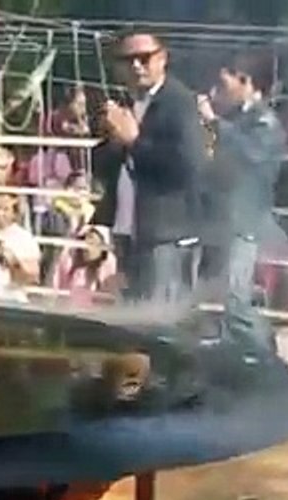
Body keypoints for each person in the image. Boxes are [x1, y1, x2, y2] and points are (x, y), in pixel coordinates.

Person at [91, 30, 205, 304]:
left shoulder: (179, 102)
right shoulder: (129, 102)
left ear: (162, 58)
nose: (136, 66)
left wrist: (133, 140)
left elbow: (186, 164)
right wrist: (111, 140)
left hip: (165, 234)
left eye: (144, 58)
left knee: (160, 321)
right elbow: (106, 168)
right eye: (127, 59)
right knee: (132, 319)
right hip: (130, 229)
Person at [197, 49, 286, 348]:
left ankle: (265, 353)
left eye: (223, 85)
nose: (216, 93)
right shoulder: (240, 118)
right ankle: (238, 357)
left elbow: (251, 155)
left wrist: (216, 124)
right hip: (225, 219)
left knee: (236, 301)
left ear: (245, 81)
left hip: (246, 222)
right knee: (221, 298)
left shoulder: (265, 122)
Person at [0, 194, 41, 301]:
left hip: (14, 297)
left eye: (5, 209)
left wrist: (14, 262)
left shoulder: (25, 238)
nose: (0, 213)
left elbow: (33, 277)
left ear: (14, 214)